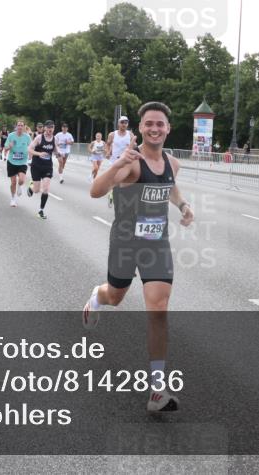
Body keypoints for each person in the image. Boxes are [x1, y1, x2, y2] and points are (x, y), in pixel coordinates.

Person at [83, 102, 194, 413]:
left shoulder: (173, 163)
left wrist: (183, 206)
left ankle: (157, 389)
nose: (154, 128)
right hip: (125, 243)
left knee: (158, 309)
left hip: (156, 244)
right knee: (115, 296)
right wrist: (118, 163)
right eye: (149, 124)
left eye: (160, 124)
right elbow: (95, 191)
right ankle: (97, 297)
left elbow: (170, 187)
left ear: (168, 128)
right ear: (141, 128)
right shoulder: (132, 163)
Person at [28, 120, 59, 219]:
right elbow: (29, 149)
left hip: (47, 167)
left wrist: (59, 154)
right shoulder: (39, 138)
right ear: (45, 128)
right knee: (36, 190)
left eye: (52, 127)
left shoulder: (55, 139)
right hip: (36, 166)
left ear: (54, 128)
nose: (50, 129)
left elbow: (56, 150)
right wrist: (39, 154)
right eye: (48, 127)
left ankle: (41, 210)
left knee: (46, 189)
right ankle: (31, 187)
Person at [105, 116, 137, 207]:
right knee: (115, 179)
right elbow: (107, 144)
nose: (124, 124)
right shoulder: (112, 134)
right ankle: (112, 194)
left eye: (126, 123)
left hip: (126, 161)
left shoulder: (130, 134)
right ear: (118, 124)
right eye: (122, 122)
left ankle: (118, 196)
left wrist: (133, 145)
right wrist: (108, 152)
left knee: (123, 180)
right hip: (114, 161)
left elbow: (135, 145)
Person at [3, 120, 31, 207]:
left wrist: (31, 158)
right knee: (13, 182)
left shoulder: (27, 137)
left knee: (21, 180)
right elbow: (5, 148)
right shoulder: (11, 136)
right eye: (18, 125)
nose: (20, 127)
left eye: (22, 125)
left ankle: (20, 186)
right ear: (16, 127)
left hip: (23, 162)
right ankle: (13, 199)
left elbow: (31, 148)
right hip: (12, 162)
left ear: (24, 127)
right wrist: (9, 146)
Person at [28, 121, 45, 196]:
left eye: (41, 127)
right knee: (36, 172)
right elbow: (31, 146)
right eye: (39, 127)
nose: (40, 128)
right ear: (37, 128)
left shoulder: (45, 134)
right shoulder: (34, 134)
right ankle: (32, 185)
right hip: (35, 154)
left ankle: (34, 184)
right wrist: (30, 158)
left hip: (43, 155)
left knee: (42, 172)